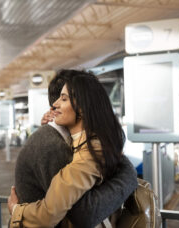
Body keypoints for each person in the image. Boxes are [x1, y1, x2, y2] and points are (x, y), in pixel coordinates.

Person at [8, 70, 137, 227]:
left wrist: (16, 210)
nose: (55, 105)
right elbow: (81, 213)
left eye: (63, 99)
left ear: (82, 107)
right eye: (58, 99)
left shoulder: (85, 149)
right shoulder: (53, 144)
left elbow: (82, 213)